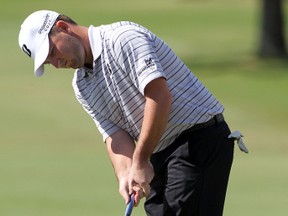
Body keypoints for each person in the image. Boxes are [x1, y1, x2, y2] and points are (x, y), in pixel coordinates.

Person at [18, 10, 246, 216]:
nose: (56, 63)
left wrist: (140, 161)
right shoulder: (82, 86)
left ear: (63, 28)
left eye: (52, 52)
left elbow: (159, 97)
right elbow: (114, 135)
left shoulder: (122, 38)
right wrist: (127, 175)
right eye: (48, 62)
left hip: (197, 139)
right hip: (158, 151)